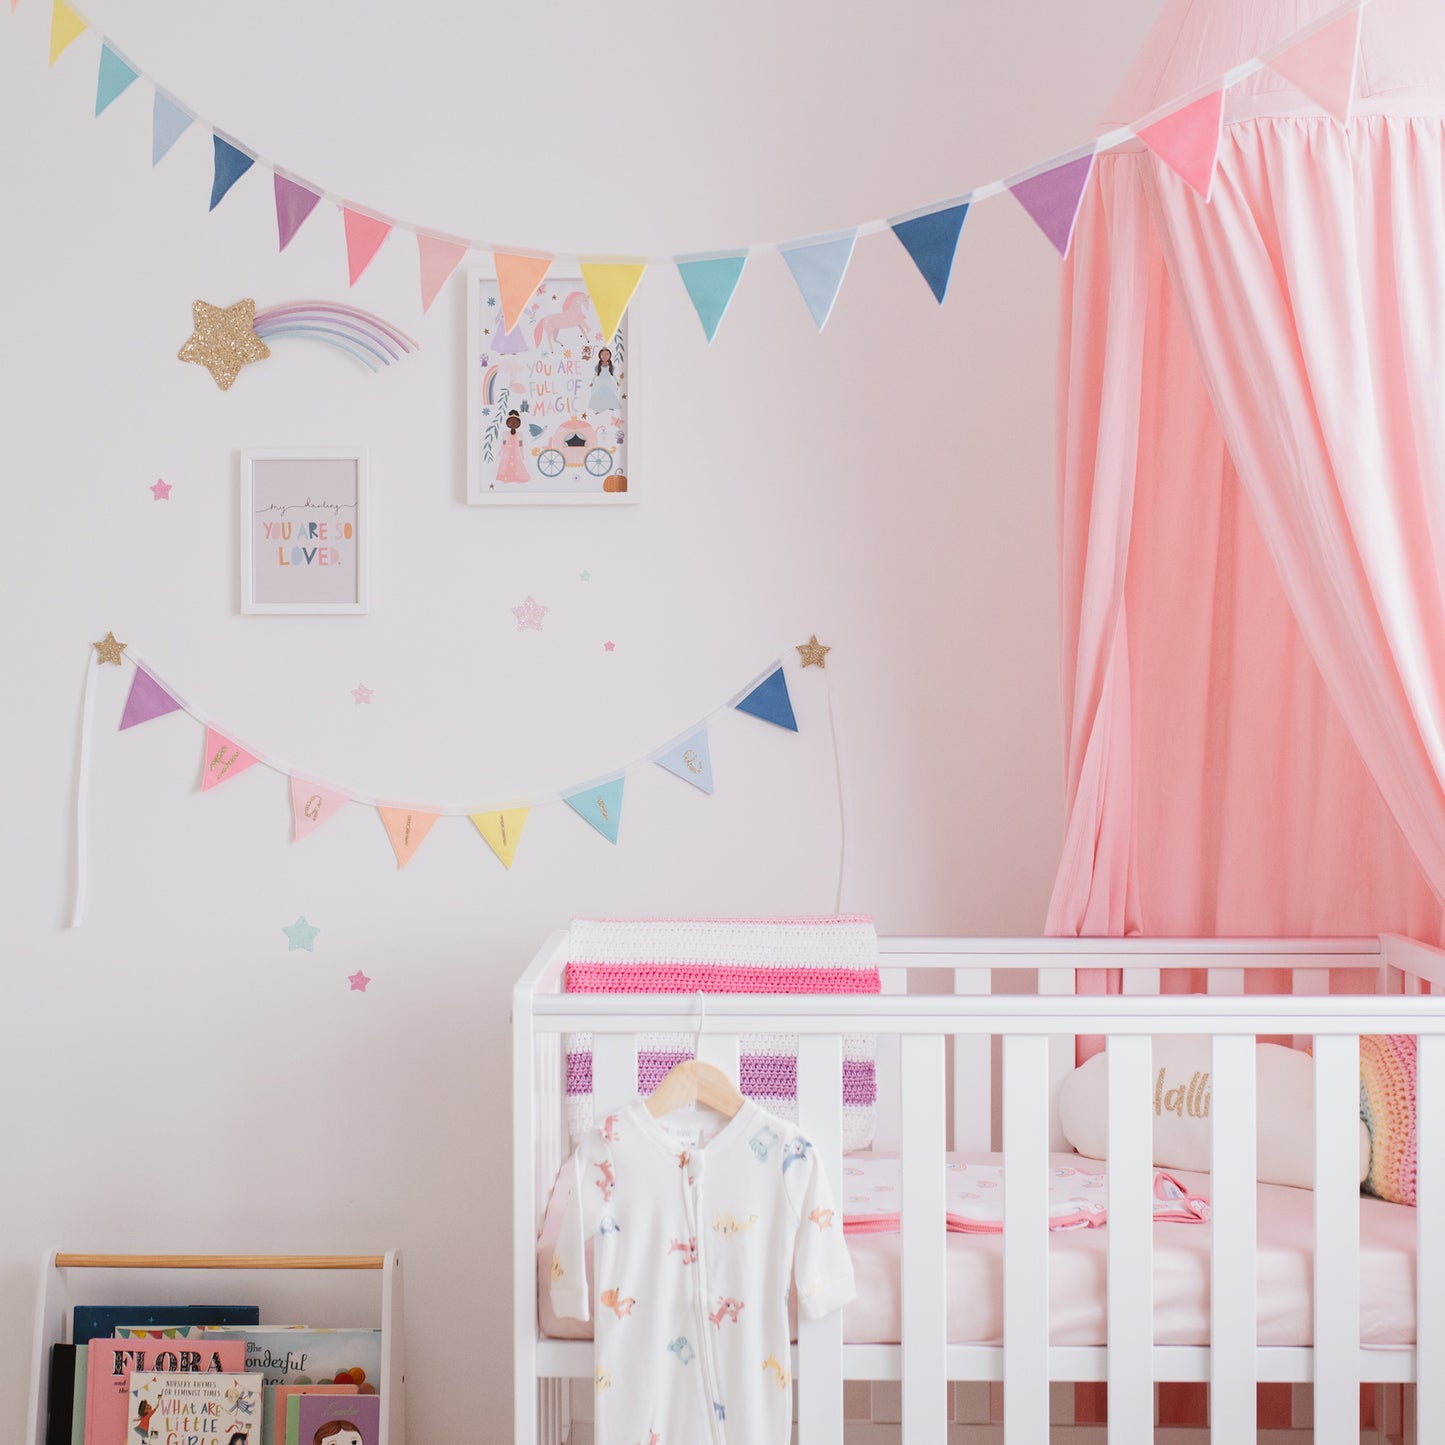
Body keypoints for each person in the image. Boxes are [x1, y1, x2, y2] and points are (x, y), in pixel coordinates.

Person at [495, 409, 530, 484]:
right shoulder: (505, 434)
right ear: (507, 424)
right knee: (505, 463)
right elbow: (503, 444)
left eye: (515, 423)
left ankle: (516, 477)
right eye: (510, 422)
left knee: (517, 463)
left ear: (519, 424)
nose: (513, 424)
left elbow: (520, 445)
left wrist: (522, 454)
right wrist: (500, 452)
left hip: (516, 452)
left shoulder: (520, 435)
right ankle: (505, 477)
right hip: (507, 452)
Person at [587, 347, 621, 414]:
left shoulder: (611, 366)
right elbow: (595, 375)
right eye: (603, 355)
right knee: (598, 394)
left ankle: (609, 405)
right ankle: (599, 408)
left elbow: (613, 375)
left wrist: (617, 382)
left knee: (610, 393)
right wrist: (592, 382)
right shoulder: (598, 366)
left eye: (607, 354)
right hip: (600, 382)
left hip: (608, 381)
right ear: (600, 356)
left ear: (610, 355)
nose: (605, 356)